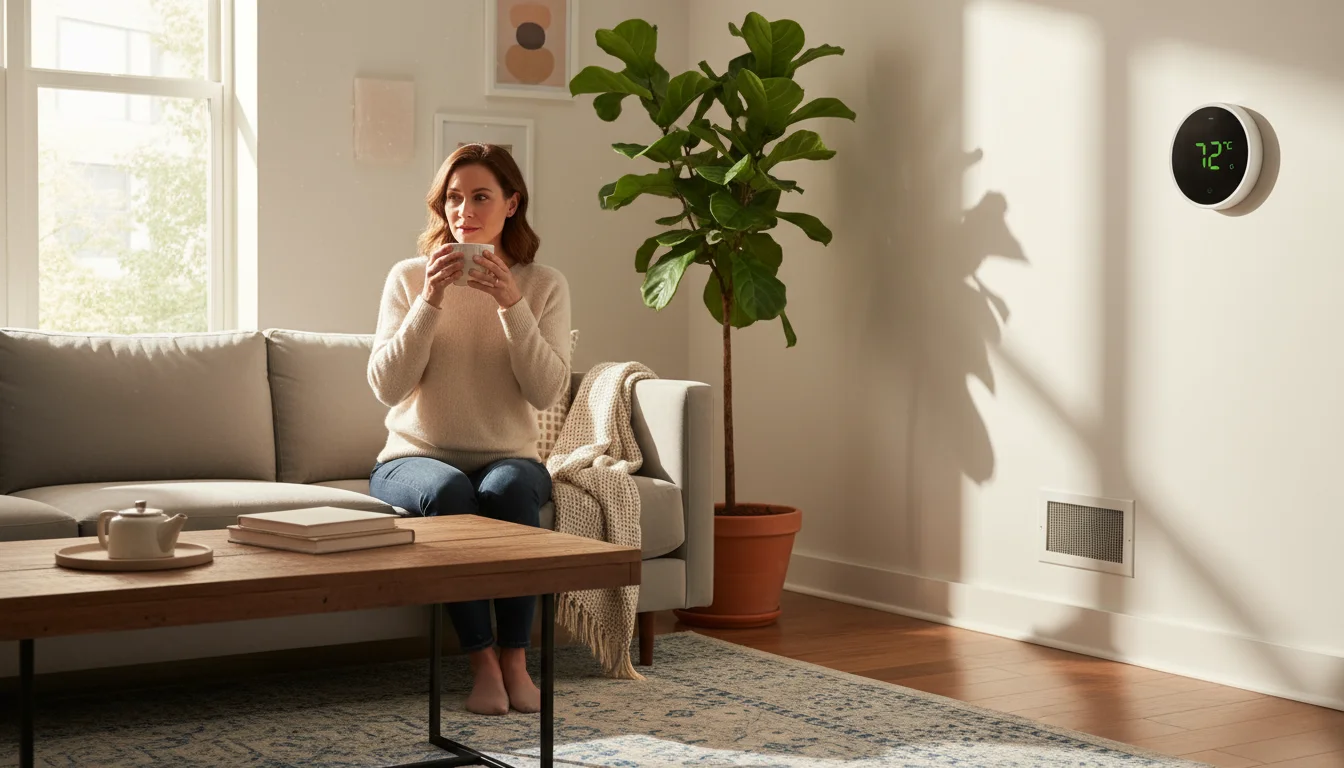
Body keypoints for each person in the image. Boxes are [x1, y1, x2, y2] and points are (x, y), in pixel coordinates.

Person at [366, 143, 571, 716]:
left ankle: (516, 661)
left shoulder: (544, 284)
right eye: (453, 198)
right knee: (452, 492)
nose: (464, 211)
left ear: (512, 203)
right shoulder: (410, 277)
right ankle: (481, 663)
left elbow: (547, 391)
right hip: (413, 458)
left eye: (480, 196)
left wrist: (512, 304)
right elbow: (386, 385)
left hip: (509, 455)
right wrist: (430, 299)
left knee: (505, 491)